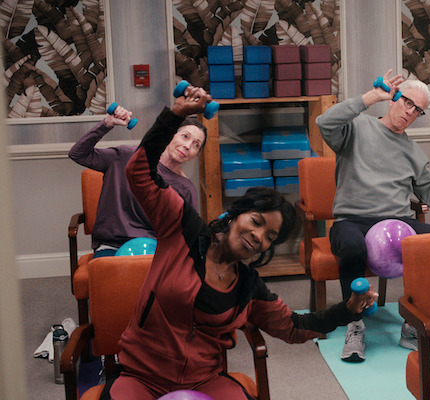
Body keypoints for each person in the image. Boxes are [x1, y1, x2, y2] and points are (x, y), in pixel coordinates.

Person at [102, 85, 378, 400]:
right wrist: (175, 115)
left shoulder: (248, 286)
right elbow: (139, 173)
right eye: (257, 222)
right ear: (235, 215)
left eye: (270, 237)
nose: (259, 236)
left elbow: (293, 326)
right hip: (141, 376)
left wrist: (348, 310)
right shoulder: (183, 229)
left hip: (203, 382)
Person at [316, 70, 430, 362]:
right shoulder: (357, 127)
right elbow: (324, 122)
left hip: (396, 223)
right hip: (352, 220)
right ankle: (354, 324)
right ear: (394, 98)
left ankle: (413, 323)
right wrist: (371, 97)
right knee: (354, 247)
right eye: (407, 103)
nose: (410, 112)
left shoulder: (413, 151)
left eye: (418, 111)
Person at [69, 104, 206, 257]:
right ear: (171, 135)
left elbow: (188, 235)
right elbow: (78, 154)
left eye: (196, 145)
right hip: (112, 245)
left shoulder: (186, 188)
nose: (188, 146)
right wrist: (107, 124)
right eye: (185, 136)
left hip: (155, 250)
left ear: (195, 154)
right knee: (111, 277)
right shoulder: (127, 156)